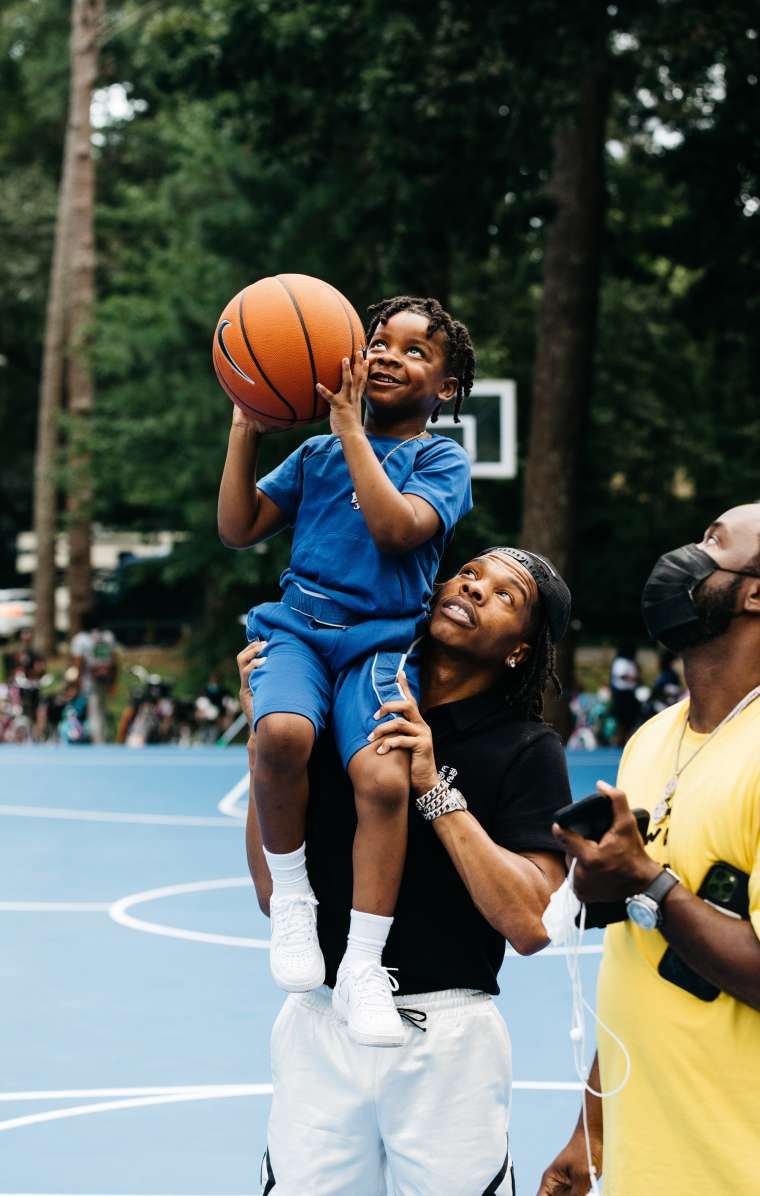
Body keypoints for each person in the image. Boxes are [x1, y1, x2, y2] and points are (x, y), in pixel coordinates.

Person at [241, 545, 571, 1196]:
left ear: (520, 652)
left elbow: (531, 923)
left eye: (507, 595)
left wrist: (432, 787)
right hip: (322, 1021)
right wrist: (264, 740)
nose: (476, 589)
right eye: (470, 573)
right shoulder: (344, 710)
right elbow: (269, 890)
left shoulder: (526, 749)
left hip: (447, 1040)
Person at [218, 296, 474, 1045]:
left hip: (380, 643)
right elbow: (237, 529)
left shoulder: (439, 459)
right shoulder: (319, 453)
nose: (391, 355)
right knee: (282, 733)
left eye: (416, 350)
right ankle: (294, 902)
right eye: (379, 342)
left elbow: (397, 531)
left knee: (385, 779)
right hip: (297, 627)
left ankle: (364, 963)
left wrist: (352, 432)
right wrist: (245, 424)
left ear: (448, 388)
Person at [538, 503, 760, 1196]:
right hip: (646, 1163)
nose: (686, 554)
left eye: (712, 542)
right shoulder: (651, 739)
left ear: (755, 590)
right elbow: (635, 958)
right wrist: (591, 1130)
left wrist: (650, 884)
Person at [70, 612, 118, 744]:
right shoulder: (108, 636)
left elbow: (79, 663)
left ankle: (98, 741)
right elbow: (114, 661)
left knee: (94, 711)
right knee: (103, 709)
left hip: (90, 680)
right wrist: (114, 682)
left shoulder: (81, 639)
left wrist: (77, 682)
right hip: (106, 678)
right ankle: (106, 737)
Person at [608, 642, 641, 745]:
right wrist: (633, 678)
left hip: (629, 694)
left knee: (629, 720)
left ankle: (626, 740)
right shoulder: (620, 661)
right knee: (622, 721)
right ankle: (619, 740)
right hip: (621, 695)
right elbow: (621, 675)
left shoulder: (630, 662)